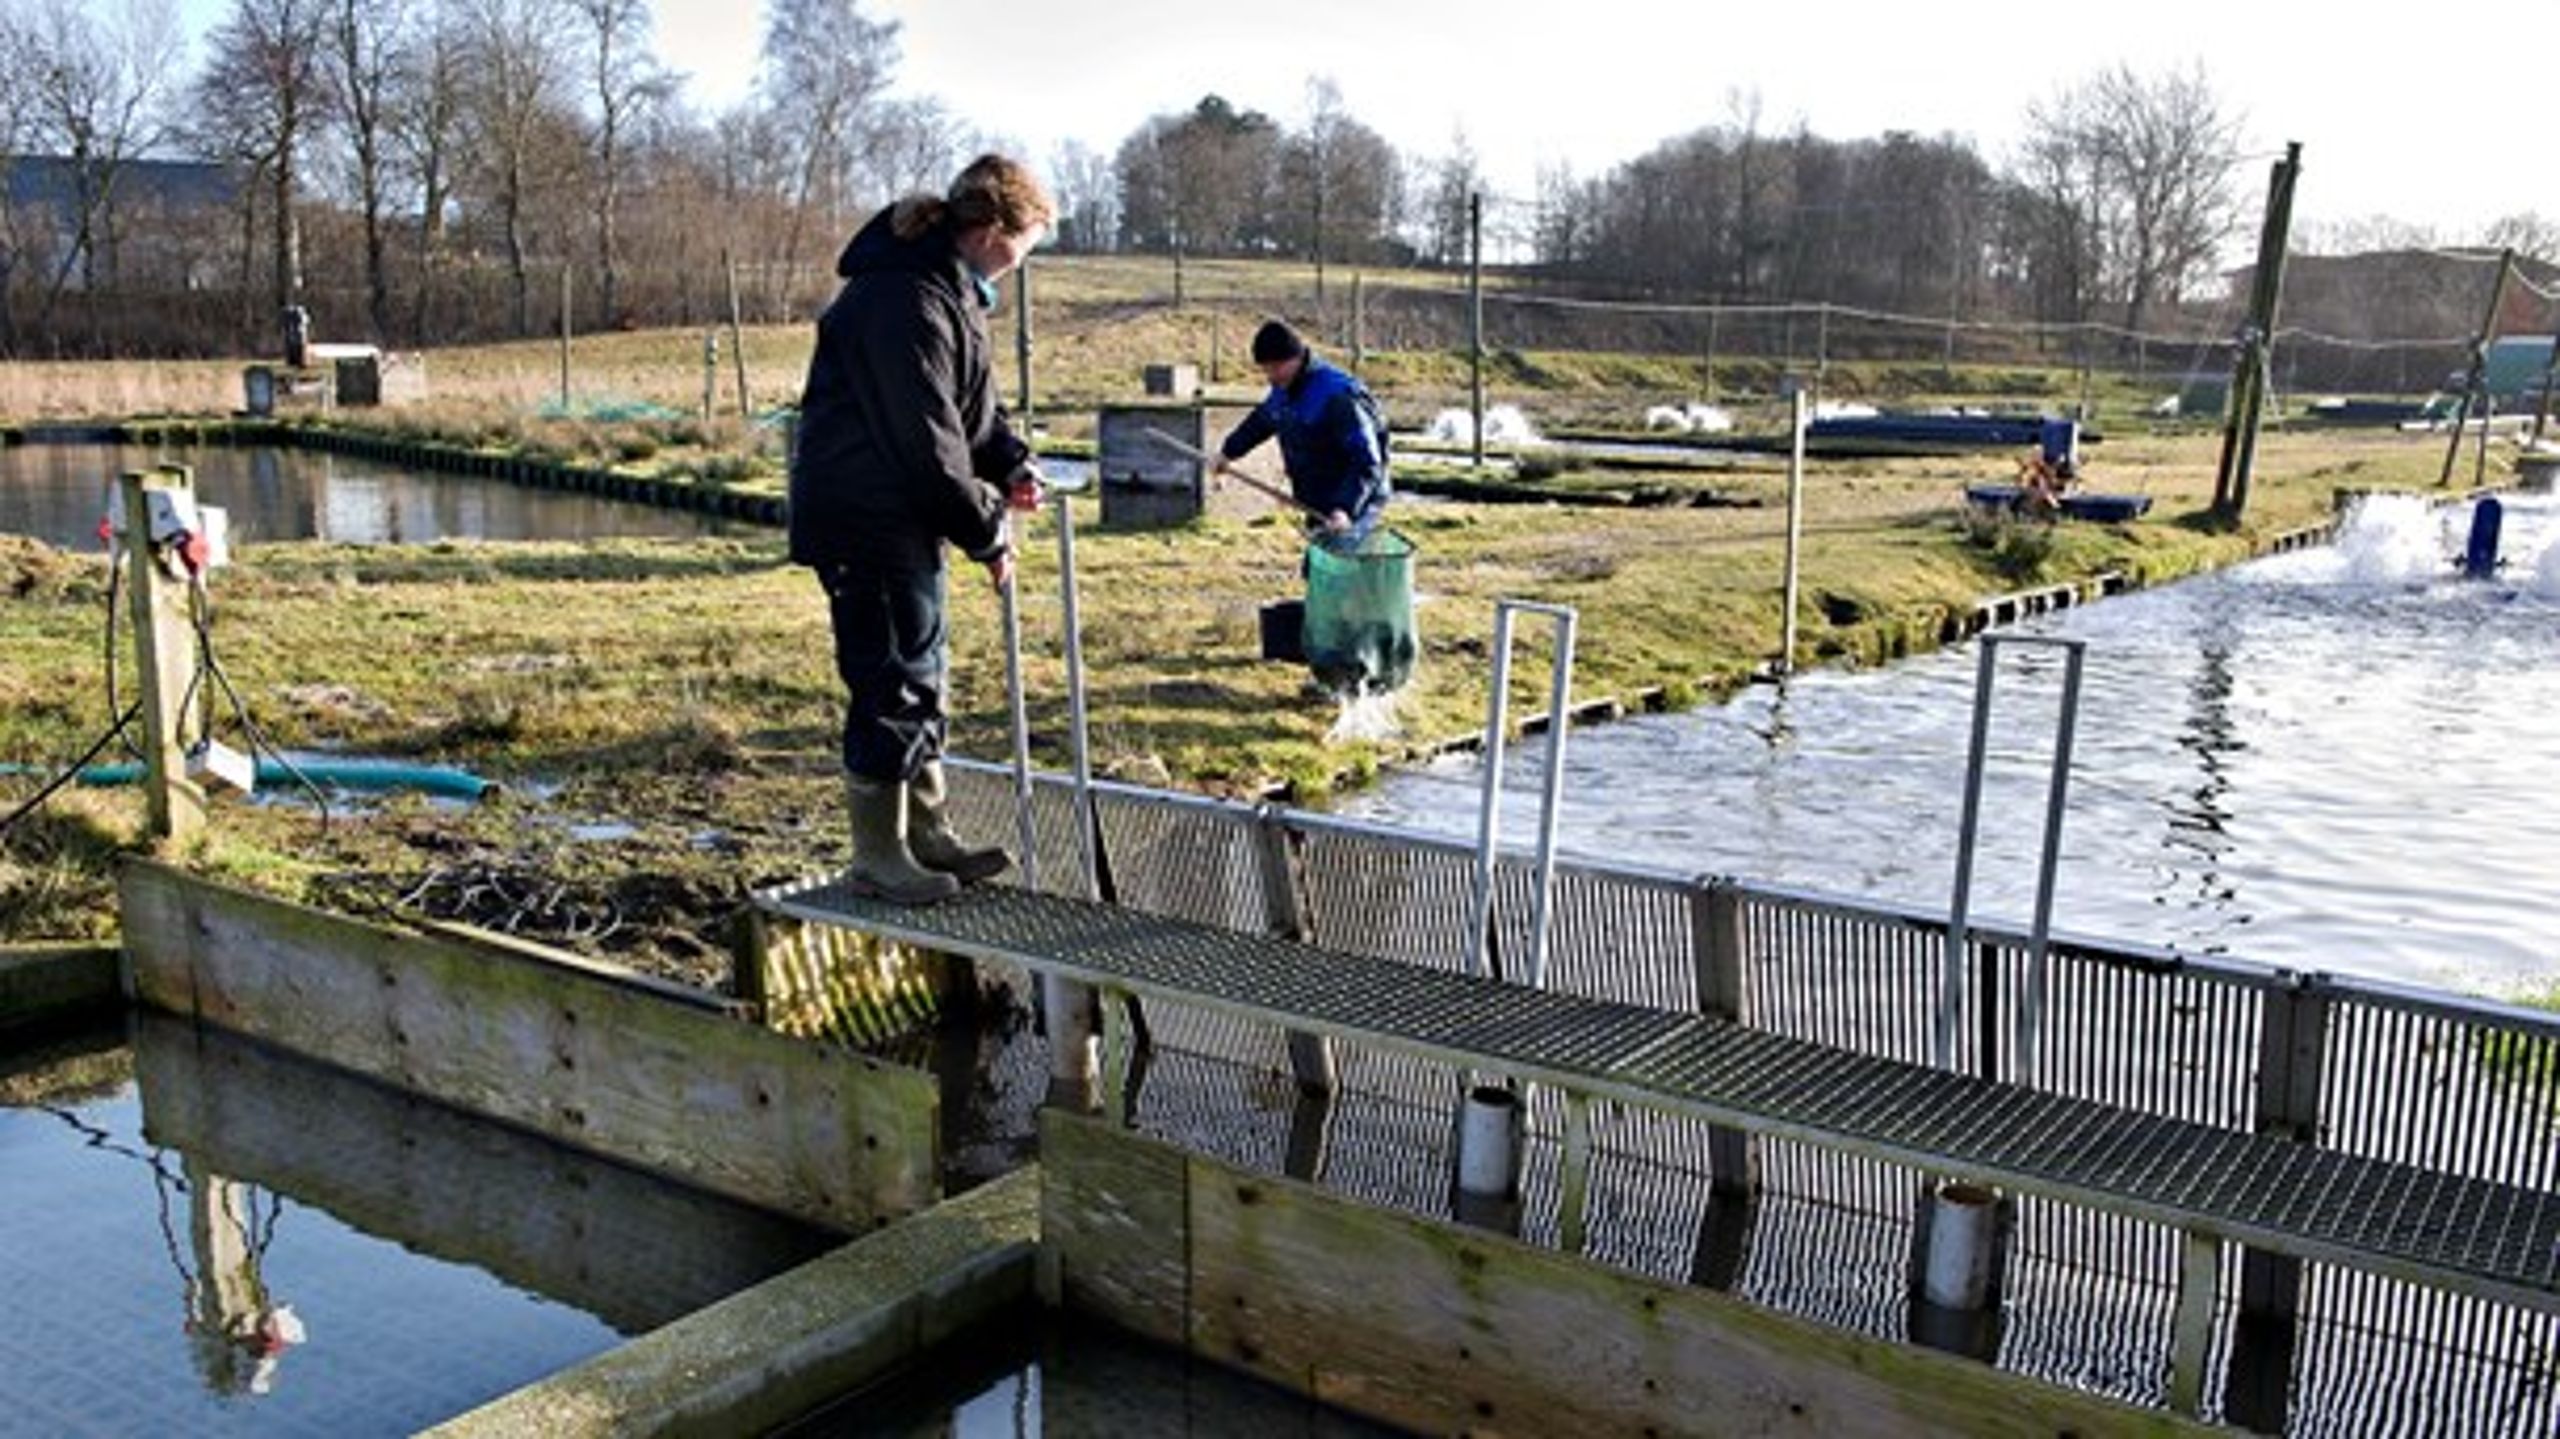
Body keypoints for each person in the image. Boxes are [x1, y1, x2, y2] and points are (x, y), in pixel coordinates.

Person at [789, 154, 1053, 904]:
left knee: (922, 669)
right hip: (865, 518)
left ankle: (927, 833)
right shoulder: (900, 300)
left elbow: (975, 413)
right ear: (991, 228)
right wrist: (987, 531)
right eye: (1026, 239)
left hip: (900, 517)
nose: (1025, 259)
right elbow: (926, 443)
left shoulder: (952, 295)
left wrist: (1011, 465)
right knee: (891, 676)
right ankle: (879, 854)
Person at [1212, 320, 1389, 550]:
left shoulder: (1338, 397)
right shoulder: (1285, 389)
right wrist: (1228, 453)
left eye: (1274, 368)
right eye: (1265, 369)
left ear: (1294, 358)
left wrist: (1345, 509)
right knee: (1319, 567)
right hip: (1319, 499)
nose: (1270, 376)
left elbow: (1367, 461)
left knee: (1340, 568)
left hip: (1357, 498)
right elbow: (1262, 421)